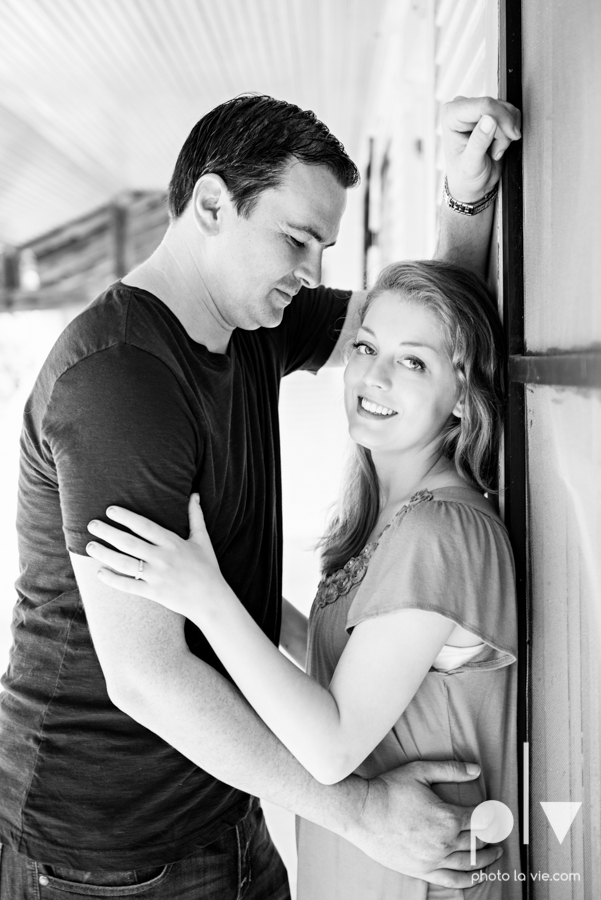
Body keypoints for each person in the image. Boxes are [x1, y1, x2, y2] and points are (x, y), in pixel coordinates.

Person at [0, 94, 521, 899]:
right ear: (212, 204)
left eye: (323, 244)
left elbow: (427, 331)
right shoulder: (118, 383)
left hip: (229, 808)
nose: (311, 268)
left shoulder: (252, 319)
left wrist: (464, 192)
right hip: (107, 856)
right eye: (295, 238)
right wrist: (358, 815)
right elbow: (145, 676)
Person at [89, 259, 519, 899]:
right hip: (367, 868)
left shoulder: (440, 533)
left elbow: (333, 744)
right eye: (367, 346)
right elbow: (347, 651)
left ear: (463, 398)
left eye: (413, 362)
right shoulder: (389, 513)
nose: (372, 375)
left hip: (422, 876)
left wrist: (206, 597)